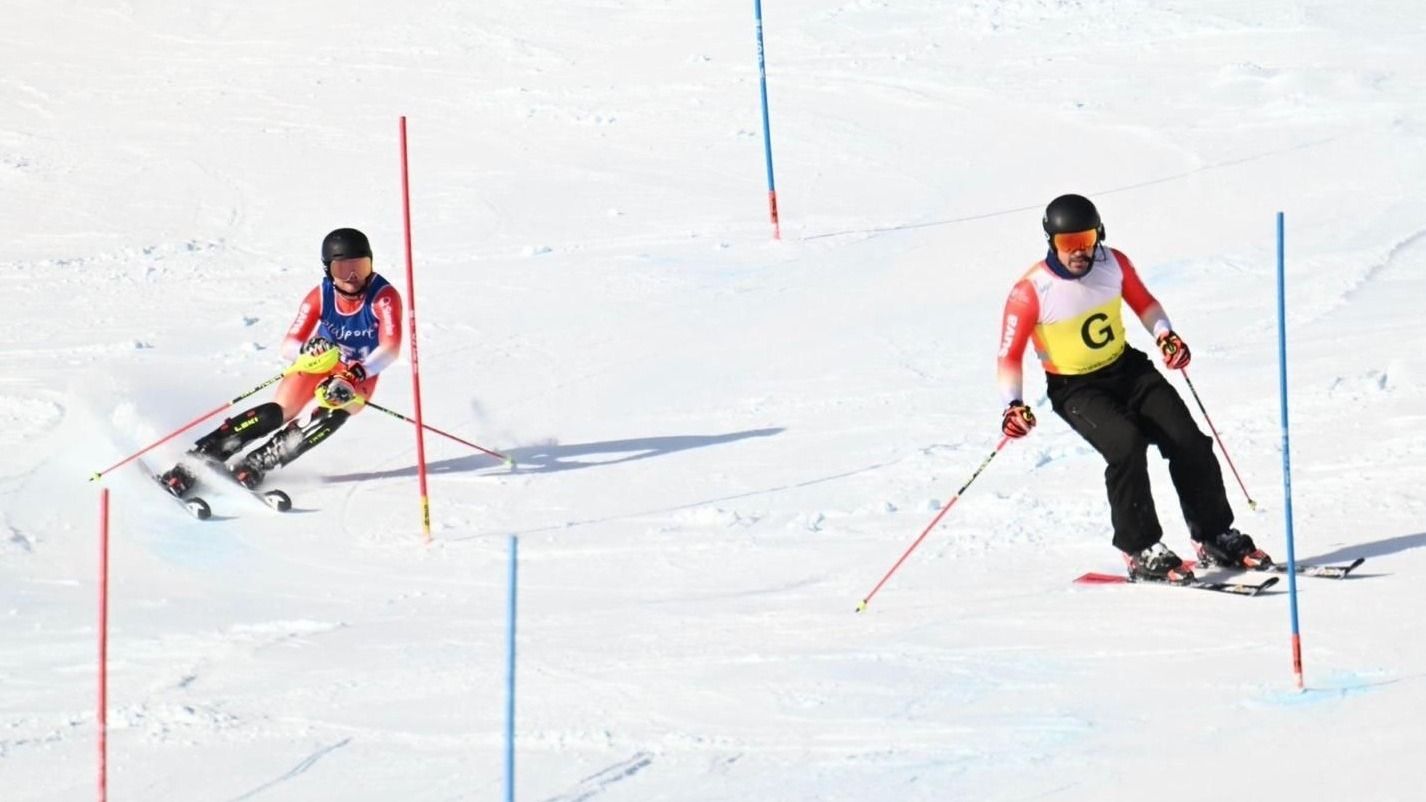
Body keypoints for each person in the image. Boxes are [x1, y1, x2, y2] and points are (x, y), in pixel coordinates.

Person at [994, 194, 1270, 582]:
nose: (1079, 252)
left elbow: (1146, 305)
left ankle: (1213, 535)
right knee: (1125, 446)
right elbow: (1009, 357)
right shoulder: (1030, 291)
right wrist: (1013, 405)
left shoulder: (1114, 263)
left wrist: (1165, 336)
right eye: (1067, 243)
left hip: (1128, 370)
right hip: (1076, 388)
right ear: (1051, 242)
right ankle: (1139, 548)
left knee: (1188, 440)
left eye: (1087, 240)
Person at [160, 227, 403, 491]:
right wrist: (306, 352)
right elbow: (289, 344)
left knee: (334, 412)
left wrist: (358, 373)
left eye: (361, 267)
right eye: (343, 271)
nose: (353, 278)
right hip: (321, 362)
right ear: (328, 270)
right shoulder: (320, 296)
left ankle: (258, 463)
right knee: (279, 411)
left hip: (361, 372)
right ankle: (203, 455)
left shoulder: (384, 298)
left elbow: (391, 348)